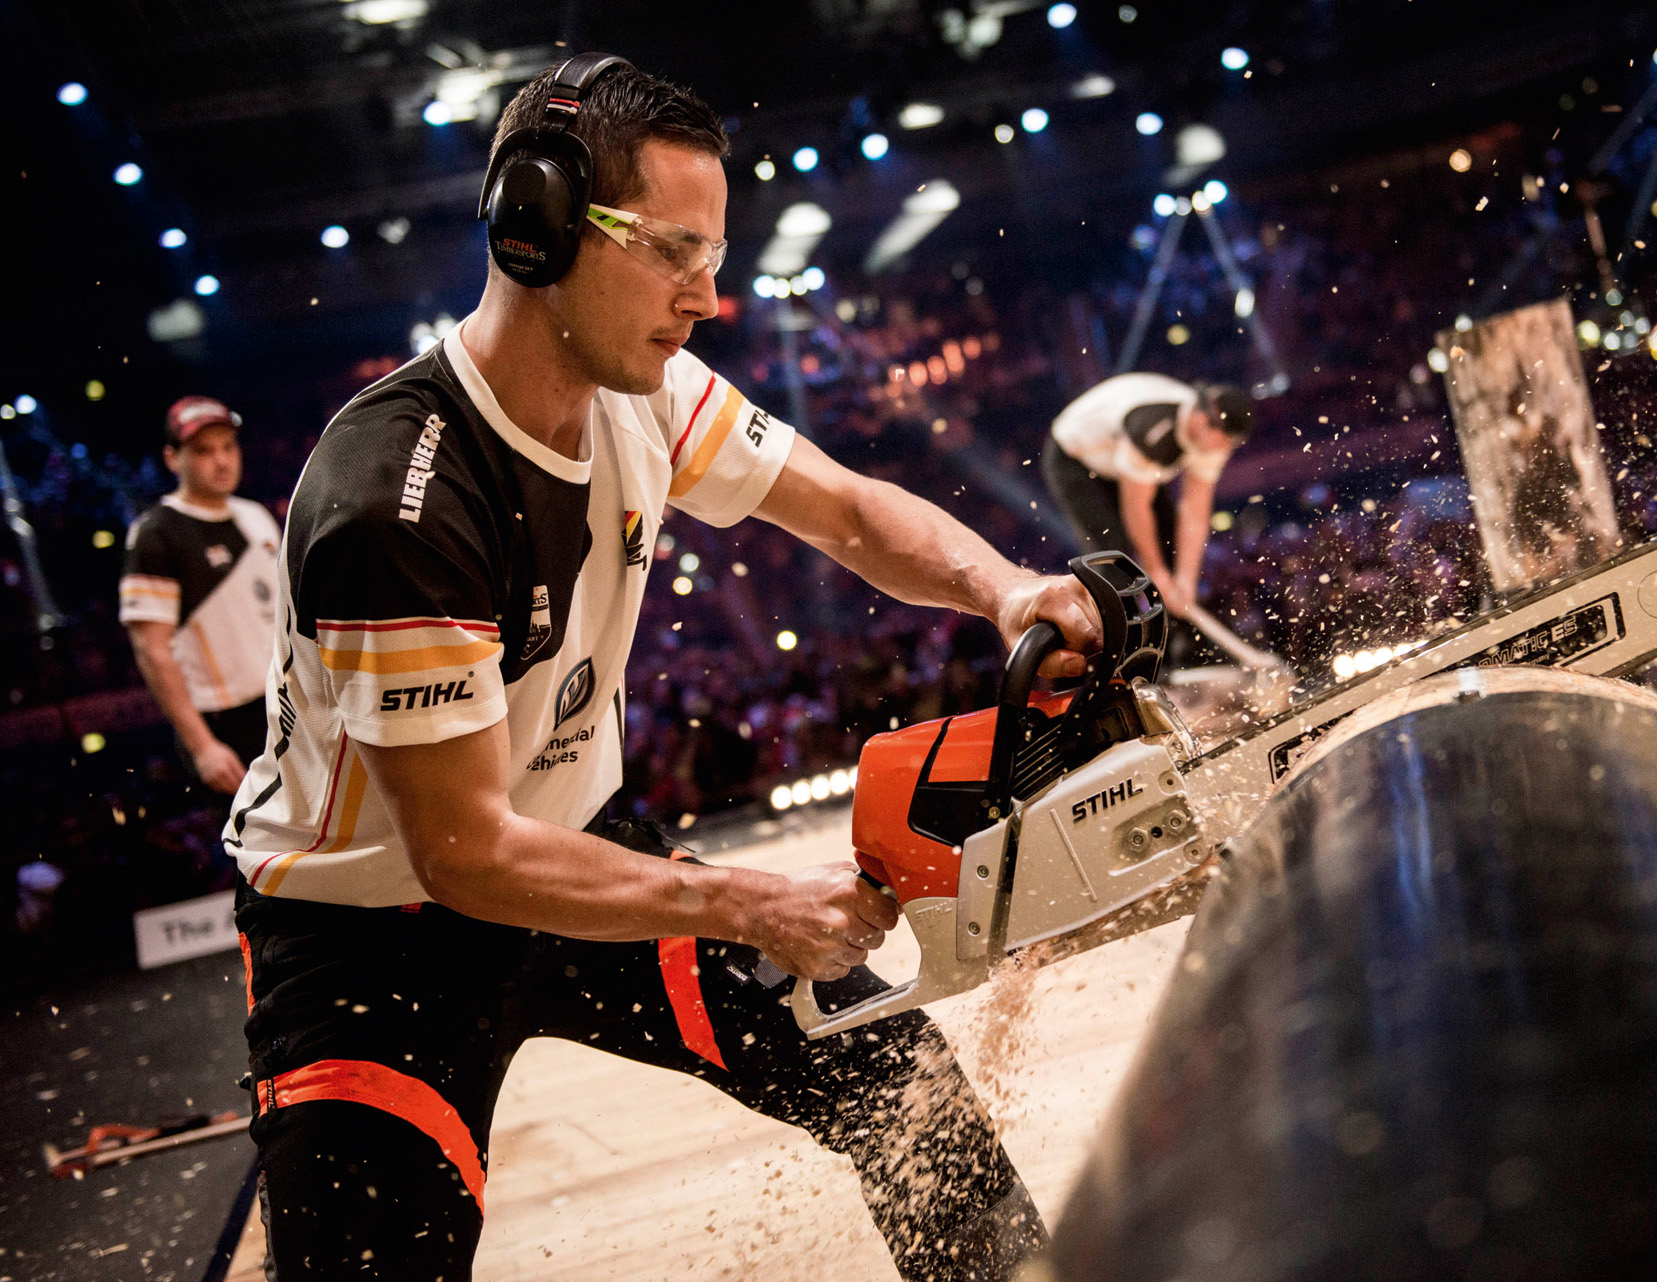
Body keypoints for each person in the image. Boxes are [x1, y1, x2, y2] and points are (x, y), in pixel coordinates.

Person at [223, 56, 1100, 1282]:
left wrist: (1006, 587)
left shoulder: (647, 384)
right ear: (534, 228)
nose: (706, 295)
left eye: (715, 257)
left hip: (579, 851)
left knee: (892, 1065)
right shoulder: (397, 500)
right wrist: (753, 902)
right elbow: (466, 854)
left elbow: (846, 512)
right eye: (672, 251)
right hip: (373, 941)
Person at [120, 396, 279, 796]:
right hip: (224, 720)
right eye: (204, 451)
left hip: (282, 701)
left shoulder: (255, 516)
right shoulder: (156, 533)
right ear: (173, 459)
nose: (222, 461)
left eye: (228, 446)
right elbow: (151, 650)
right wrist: (202, 745)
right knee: (259, 853)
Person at [1041, 373, 1253, 625]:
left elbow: (1194, 512)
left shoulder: (1215, 440)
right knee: (1113, 555)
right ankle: (1118, 641)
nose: (1222, 452)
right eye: (1223, 443)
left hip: (1121, 463)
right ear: (1202, 419)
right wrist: (1158, 574)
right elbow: (1137, 509)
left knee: (1170, 542)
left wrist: (1185, 580)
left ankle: (1182, 645)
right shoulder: (1152, 428)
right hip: (1074, 459)